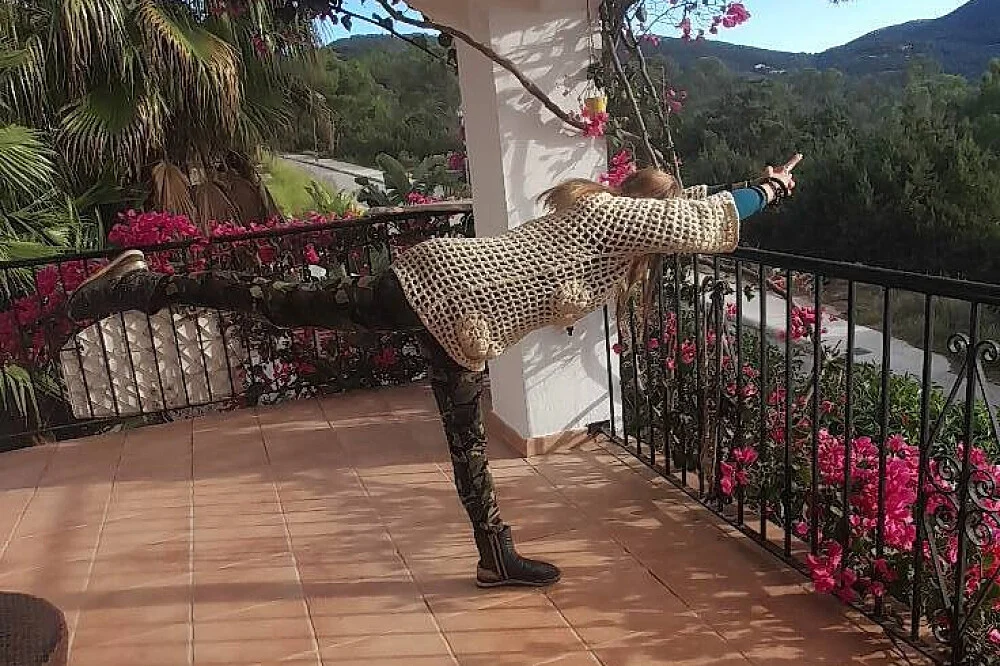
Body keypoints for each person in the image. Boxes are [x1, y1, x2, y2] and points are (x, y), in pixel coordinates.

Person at [66, 158, 800, 589]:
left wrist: (741, 187)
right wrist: (768, 191)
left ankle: (494, 557)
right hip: (450, 299)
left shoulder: (612, 229)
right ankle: (141, 286)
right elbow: (704, 222)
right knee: (283, 304)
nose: (668, 225)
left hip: (456, 306)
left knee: (456, 431)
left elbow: (683, 215)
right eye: (666, 213)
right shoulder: (617, 218)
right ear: (652, 211)